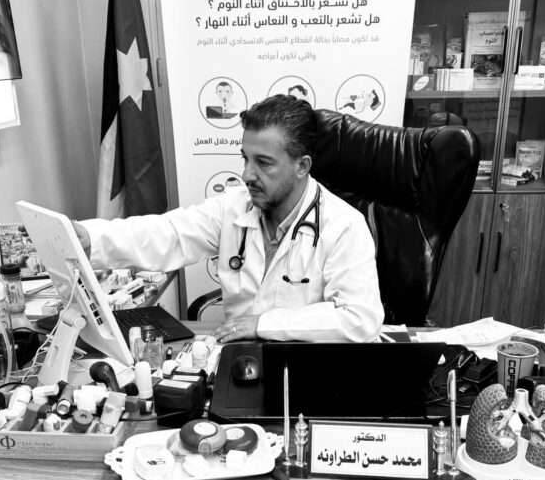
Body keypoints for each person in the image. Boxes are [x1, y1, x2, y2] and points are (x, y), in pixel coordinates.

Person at [74, 95, 383, 343]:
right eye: (245, 159)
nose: (247, 174)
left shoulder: (344, 226)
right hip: (237, 356)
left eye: (264, 163)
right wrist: (91, 238)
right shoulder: (234, 208)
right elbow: (168, 233)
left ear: (302, 166)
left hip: (305, 364)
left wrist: (265, 324)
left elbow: (360, 320)